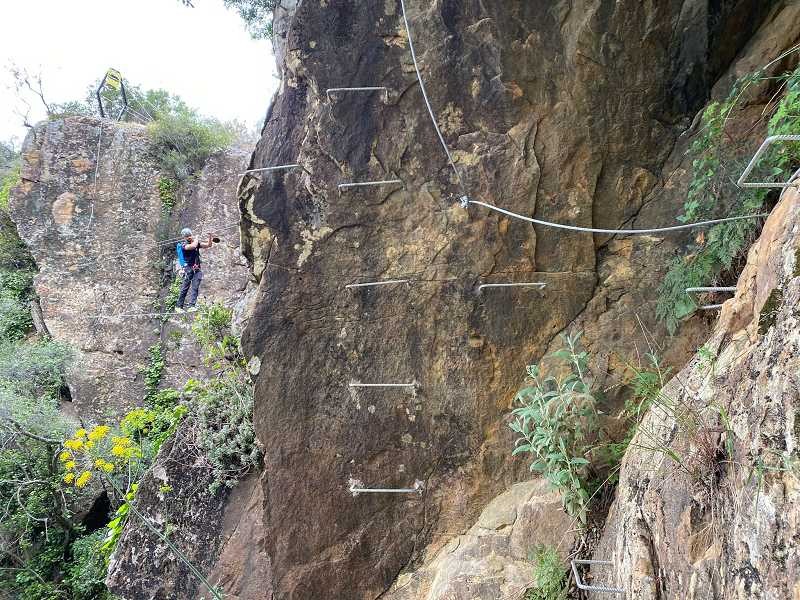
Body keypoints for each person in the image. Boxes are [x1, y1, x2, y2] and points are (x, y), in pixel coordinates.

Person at [175, 227, 214, 313]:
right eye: (187, 236)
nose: (189, 237)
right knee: (185, 287)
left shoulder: (196, 243)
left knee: (195, 287)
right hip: (188, 268)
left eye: (190, 235)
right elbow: (192, 246)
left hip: (197, 269)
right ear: (184, 237)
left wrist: (210, 236)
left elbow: (208, 245)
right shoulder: (184, 245)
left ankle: (191, 306)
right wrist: (196, 239)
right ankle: (178, 306)